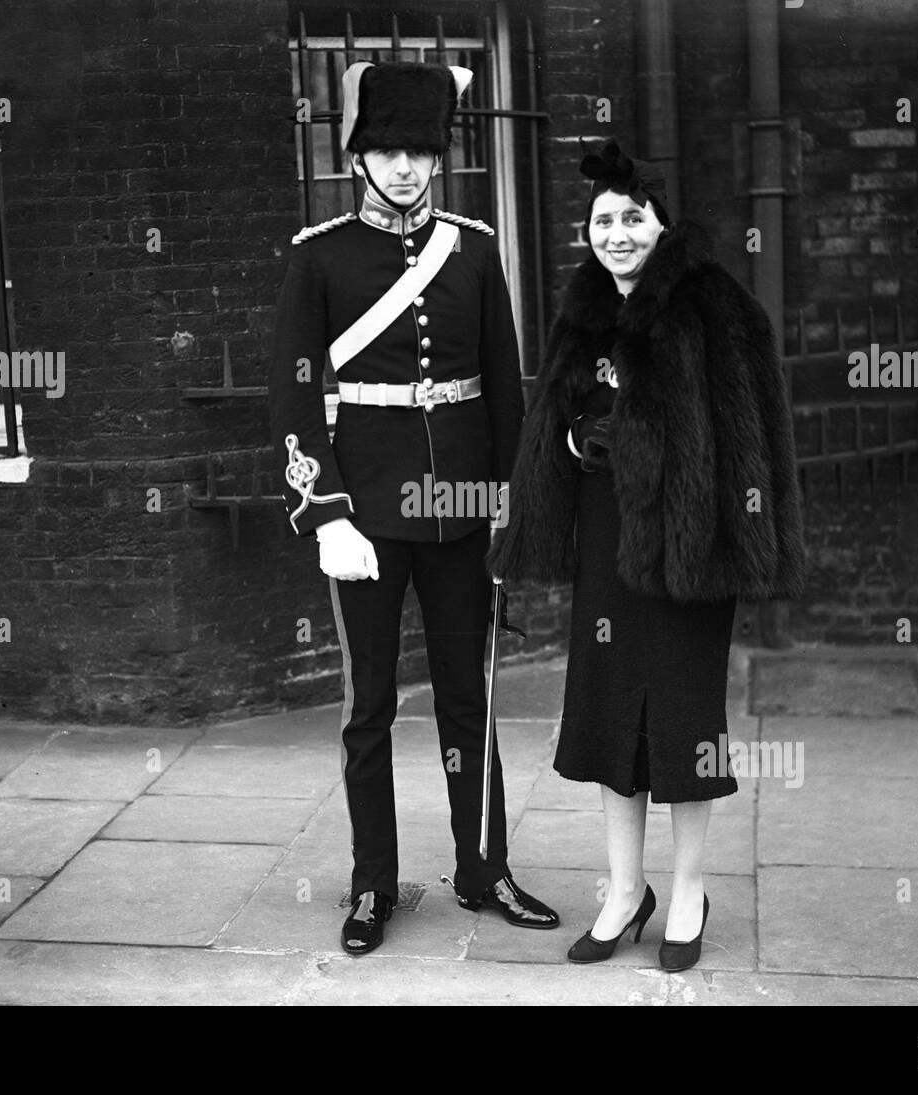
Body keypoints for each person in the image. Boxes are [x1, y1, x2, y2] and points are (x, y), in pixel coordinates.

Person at [486, 139, 804, 971]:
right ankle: (625, 891)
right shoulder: (583, 308)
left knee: (686, 726)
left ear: (663, 226)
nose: (617, 234)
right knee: (607, 718)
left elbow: (747, 436)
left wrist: (639, 434)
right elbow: (548, 418)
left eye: (634, 219)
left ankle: (689, 889)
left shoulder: (714, 306)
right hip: (605, 543)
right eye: (603, 220)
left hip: (688, 551)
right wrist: (572, 437)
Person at [268, 60, 559, 957]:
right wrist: (327, 513)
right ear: (359, 155)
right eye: (389, 149)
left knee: (470, 697)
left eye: (421, 151)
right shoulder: (319, 256)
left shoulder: (473, 248)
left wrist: (511, 507)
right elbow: (292, 393)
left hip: (462, 515)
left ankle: (484, 867)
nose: (405, 167)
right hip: (365, 518)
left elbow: (506, 392)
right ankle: (371, 883)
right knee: (370, 707)